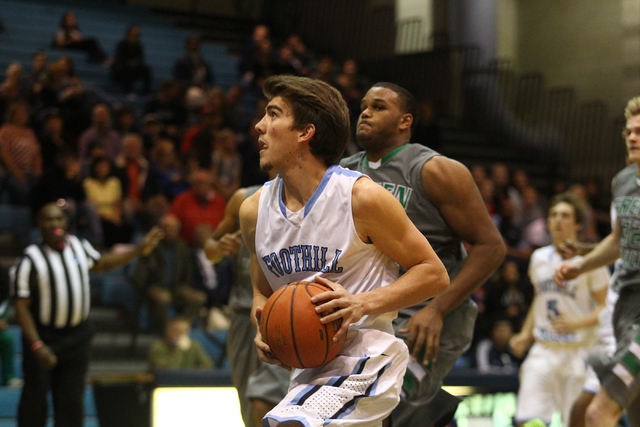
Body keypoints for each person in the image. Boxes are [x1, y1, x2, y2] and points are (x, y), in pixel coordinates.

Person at [239, 75, 449, 426]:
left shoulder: (361, 198)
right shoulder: (253, 211)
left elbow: (434, 273)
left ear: (305, 132)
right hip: (310, 369)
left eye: (273, 115)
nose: (260, 126)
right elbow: (262, 291)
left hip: (369, 359)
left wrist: (362, 303)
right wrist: (264, 327)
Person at [340, 82, 506, 427]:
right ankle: (438, 418)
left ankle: (434, 414)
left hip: (428, 324)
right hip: (374, 317)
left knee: (384, 407)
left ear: (405, 121)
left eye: (379, 106)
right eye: (364, 106)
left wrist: (437, 309)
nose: (366, 112)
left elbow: (491, 247)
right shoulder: (343, 173)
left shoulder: (435, 170)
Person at [10, 203, 163, 427]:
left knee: (72, 402)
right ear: (39, 225)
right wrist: (37, 345)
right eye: (48, 220)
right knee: (35, 400)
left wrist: (137, 250)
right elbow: (21, 307)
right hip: (44, 338)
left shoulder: (78, 245)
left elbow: (101, 263)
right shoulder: (29, 259)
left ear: (66, 222)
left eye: (58, 219)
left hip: (77, 337)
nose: (54, 224)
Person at [554, 96, 640, 427]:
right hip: (625, 309)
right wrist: (580, 265)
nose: (631, 137)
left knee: (596, 412)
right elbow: (618, 241)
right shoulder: (623, 181)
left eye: (639, 132)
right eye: (628, 131)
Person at [509, 192, 609, 426]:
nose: (557, 220)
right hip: (544, 349)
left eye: (565, 215)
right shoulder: (539, 258)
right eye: (553, 215)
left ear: (577, 224)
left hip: (579, 351)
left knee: (575, 421)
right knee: (528, 420)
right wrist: (525, 334)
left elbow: (607, 306)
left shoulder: (590, 262)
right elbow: (540, 300)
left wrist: (578, 323)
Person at [203, 174, 290, 427]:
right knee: (247, 404)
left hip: (287, 314)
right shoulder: (245, 197)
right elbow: (209, 246)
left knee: (268, 401)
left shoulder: (313, 195)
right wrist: (220, 247)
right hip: (244, 314)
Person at [133, 214, 206, 333]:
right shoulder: (151, 246)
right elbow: (140, 274)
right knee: (164, 298)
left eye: (174, 229)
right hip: (155, 286)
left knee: (198, 298)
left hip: (176, 286)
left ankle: (180, 327)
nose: (171, 232)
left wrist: (186, 286)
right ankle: (166, 332)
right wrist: (146, 289)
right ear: (161, 229)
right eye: (168, 228)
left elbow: (187, 271)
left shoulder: (182, 247)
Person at [0, 100, 43, 205]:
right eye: (19, 113)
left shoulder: (30, 132)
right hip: (11, 172)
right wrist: (16, 172)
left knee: (42, 189)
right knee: (24, 191)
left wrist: (37, 169)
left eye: (24, 113)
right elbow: (4, 154)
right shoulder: (6, 131)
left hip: (29, 171)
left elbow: (36, 153)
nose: (22, 116)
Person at [168, 169, 226, 244]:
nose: (200, 186)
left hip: (214, 244)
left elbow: (226, 223)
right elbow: (171, 218)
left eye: (203, 183)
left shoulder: (218, 201)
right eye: (197, 183)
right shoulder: (182, 199)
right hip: (187, 244)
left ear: (209, 184)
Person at [148, 316, 213, 370]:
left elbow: (208, 366)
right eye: (177, 331)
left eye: (184, 332)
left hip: (189, 381)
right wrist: (179, 349)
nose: (181, 336)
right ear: (168, 331)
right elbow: (170, 370)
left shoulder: (193, 345)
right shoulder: (158, 347)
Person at [111, 25, 152, 95]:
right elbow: (119, 59)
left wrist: (135, 63)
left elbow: (140, 59)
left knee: (146, 69)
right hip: (122, 68)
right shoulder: (121, 44)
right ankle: (127, 91)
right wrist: (129, 63)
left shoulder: (139, 46)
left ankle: (146, 92)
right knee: (126, 68)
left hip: (135, 68)